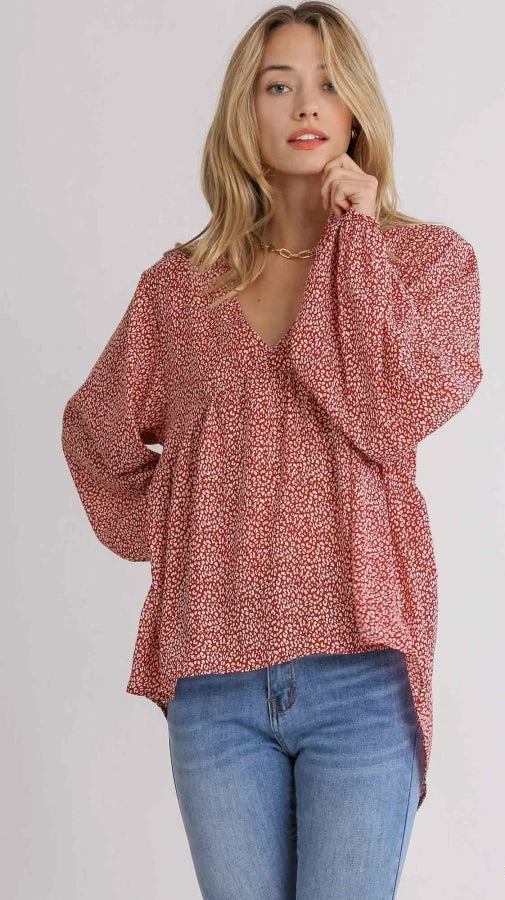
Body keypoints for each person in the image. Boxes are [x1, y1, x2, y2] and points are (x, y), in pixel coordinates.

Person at [61, 3, 483, 897]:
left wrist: (356, 236)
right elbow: (95, 433)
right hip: (215, 687)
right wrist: (180, 521)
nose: (306, 104)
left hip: (362, 679)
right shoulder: (180, 289)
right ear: (244, 111)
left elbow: (393, 405)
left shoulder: (425, 264)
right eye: (278, 84)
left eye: (328, 82)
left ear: (358, 105)